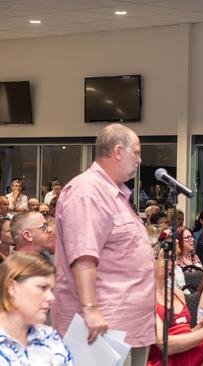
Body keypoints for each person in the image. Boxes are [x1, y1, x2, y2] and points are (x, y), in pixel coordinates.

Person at [52, 123, 154, 366]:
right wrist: (90, 308)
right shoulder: (87, 191)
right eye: (136, 153)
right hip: (103, 327)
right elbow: (83, 256)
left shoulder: (115, 193)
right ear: (118, 151)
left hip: (131, 325)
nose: (139, 160)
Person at [0, 253, 73, 365]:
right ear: (12, 288)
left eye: (51, 290)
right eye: (42, 287)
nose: (51, 298)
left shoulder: (49, 336)